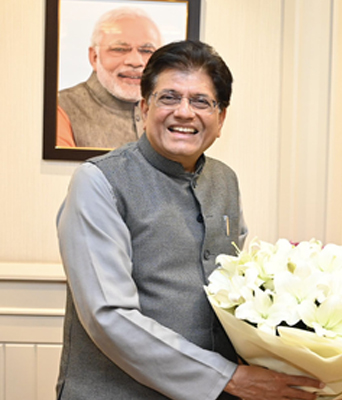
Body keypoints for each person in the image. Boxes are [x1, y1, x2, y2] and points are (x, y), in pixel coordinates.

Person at [56, 40, 323, 400]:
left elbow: (234, 289)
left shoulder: (225, 180)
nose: (184, 112)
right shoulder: (98, 182)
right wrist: (228, 378)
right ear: (144, 107)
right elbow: (109, 316)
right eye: (169, 98)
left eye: (200, 101)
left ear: (221, 118)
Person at [57, 7, 162, 149]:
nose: (135, 61)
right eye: (119, 49)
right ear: (94, 57)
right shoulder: (61, 107)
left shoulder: (171, 108)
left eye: (147, 51)